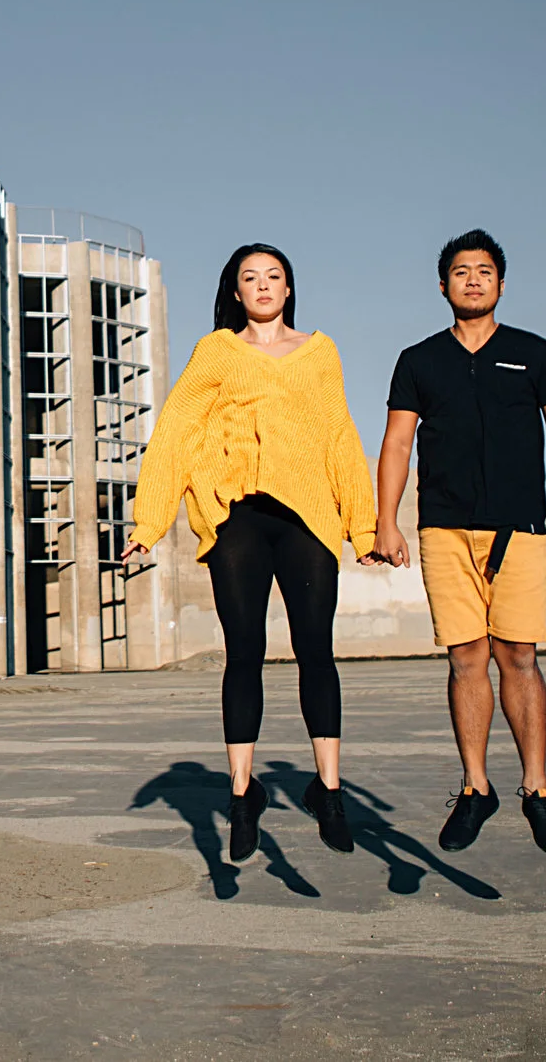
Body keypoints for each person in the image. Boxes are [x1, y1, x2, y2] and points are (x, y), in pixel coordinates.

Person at [122, 243, 379, 861]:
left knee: (316, 652)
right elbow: (175, 433)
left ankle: (329, 790)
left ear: (288, 289)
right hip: (237, 515)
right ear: (235, 292)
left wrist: (363, 529)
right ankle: (242, 795)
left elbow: (341, 433)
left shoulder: (320, 351)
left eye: (274, 277)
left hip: (308, 518)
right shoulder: (216, 351)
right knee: (245, 653)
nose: (263, 286)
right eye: (250, 278)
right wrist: (148, 524)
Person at [363, 229, 546, 856]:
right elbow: (397, 445)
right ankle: (474, 788)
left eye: (484, 271)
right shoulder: (418, 360)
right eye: (460, 271)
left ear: (500, 283)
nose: (472, 279)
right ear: (443, 285)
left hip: (519, 526)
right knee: (466, 657)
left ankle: (538, 791)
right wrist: (387, 520)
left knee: (518, 654)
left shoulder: (535, 353)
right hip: (443, 527)